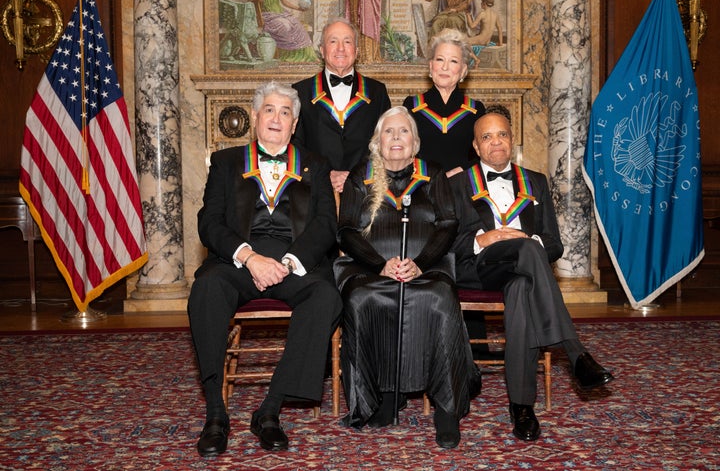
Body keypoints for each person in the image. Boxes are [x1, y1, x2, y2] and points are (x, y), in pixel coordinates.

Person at [188, 81, 342, 456]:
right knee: (206, 290)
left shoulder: (315, 165)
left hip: (294, 265)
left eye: (285, 112)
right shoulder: (226, 163)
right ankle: (215, 413)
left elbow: (326, 223)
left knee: (326, 297)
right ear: (255, 117)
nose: (276, 118)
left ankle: (269, 411)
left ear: (294, 123)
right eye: (269, 110)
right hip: (238, 262)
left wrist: (288, 263)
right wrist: (249, 257)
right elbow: (209, 222)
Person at [449, 109, 614, 441]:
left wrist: (530, 243)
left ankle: (522, 408)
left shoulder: (536, 180)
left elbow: (553, 243)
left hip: (522, 271)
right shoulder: (455, 183)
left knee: (523, 288)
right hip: (480, 269)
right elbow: (444, 242)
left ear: (512, 139)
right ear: (476, 147)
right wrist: (483, 239)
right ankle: (575, 352)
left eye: (503, 135)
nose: (496, 142)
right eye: (487, 137)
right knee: (526, 252)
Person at [335, 106, 481, 449]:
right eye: (389, 132)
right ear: (378, 142)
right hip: (368, 268)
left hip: (426, 267)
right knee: (361, 299)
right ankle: (383, 395)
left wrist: (420, 262)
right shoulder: (362, 175)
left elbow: (448, 224)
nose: (396, 138)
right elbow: (345, 231)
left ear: (415, 143)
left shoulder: (433, 173)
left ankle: (446, 406)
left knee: (439, 299)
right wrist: (379, 264)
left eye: (403, 132)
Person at [293, 17, 391, 194]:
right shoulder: (300, 92)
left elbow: (384, 145)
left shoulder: (377, 92)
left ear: (357, 50)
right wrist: (323, 175)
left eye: (347, 41)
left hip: (364, 192)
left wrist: (356, 177)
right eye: (333, 41)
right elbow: (295, 147)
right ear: (322, 50)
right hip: (314, 193)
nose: (340, 48)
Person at [403, 28, 485, 177]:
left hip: (464, 188)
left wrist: (460, 171)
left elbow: (484, 154)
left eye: (453, 61)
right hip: (422, 188)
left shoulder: (476, 110)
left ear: (463, 70)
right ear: (430, 65)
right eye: (439, 59)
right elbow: (403, 152)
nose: (445, 67)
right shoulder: (411, 106)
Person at [248, 0, 318, 62]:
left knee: (297, 25)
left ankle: (306, 55)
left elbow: (285, 2)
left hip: (280, 13)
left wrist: (298, 9)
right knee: (283, 26)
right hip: (268, 15)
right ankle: (286, 54)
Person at [466, 0, 503, 68]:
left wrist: (468, 15)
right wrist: (500, 43)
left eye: (481, 2)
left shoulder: (482, 14)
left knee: (462, 42)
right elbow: (500, 29)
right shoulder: (495, 15)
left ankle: (476, 59)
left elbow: (472, 26)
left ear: (484, 4)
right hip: (487, 41)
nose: (480, 4)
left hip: (481, 40)